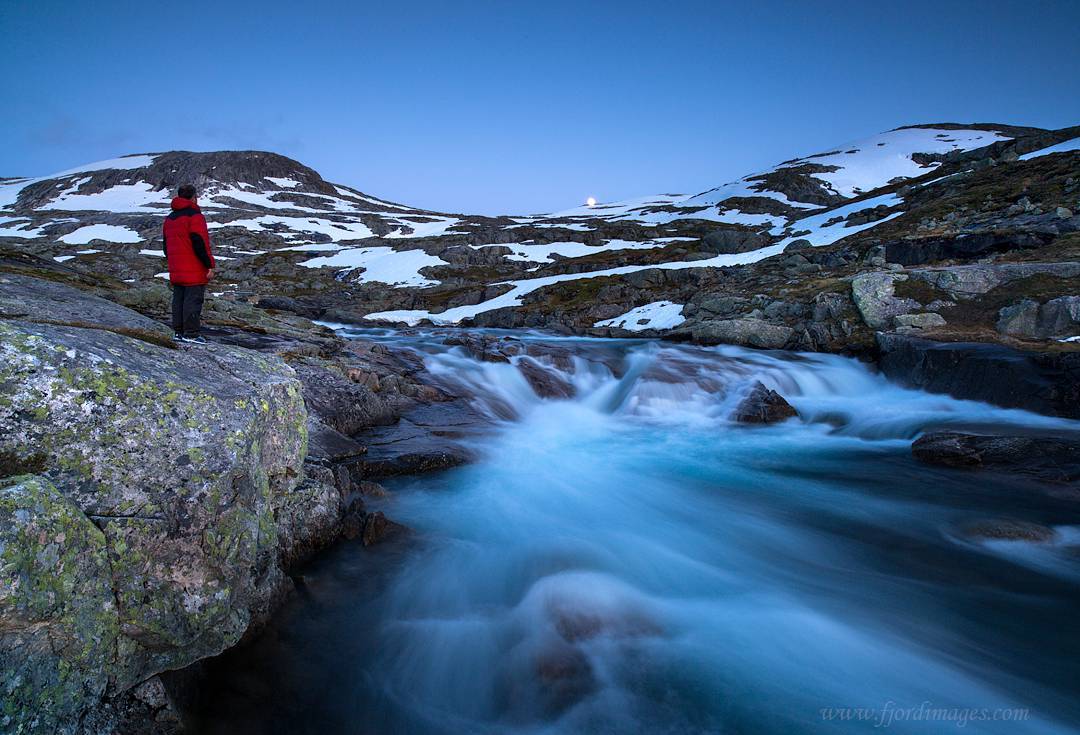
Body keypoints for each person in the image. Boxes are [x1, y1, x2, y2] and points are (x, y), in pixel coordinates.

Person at [162, 184, 215, 344]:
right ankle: (191, 334)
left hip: (176, 266)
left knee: (179, 299)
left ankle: (178, 332)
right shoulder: (195, 216)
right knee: (193, 300)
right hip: (193, 267)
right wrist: (209, 265)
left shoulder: (169, 218)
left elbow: (165, 246)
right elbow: (200, 242)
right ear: (194, 197)